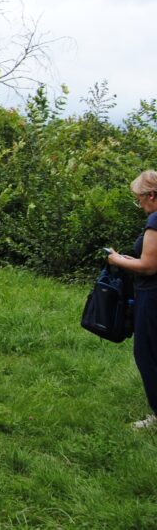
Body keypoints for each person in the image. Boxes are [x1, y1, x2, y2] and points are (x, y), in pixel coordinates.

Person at [107, 170, 157, 429]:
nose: (139, 204)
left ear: (151, 195)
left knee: (146, 352)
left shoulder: (156, 220)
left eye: (139, 199)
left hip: (152, 295)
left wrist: (117, 261)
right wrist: (130, 260)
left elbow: (149, 266)